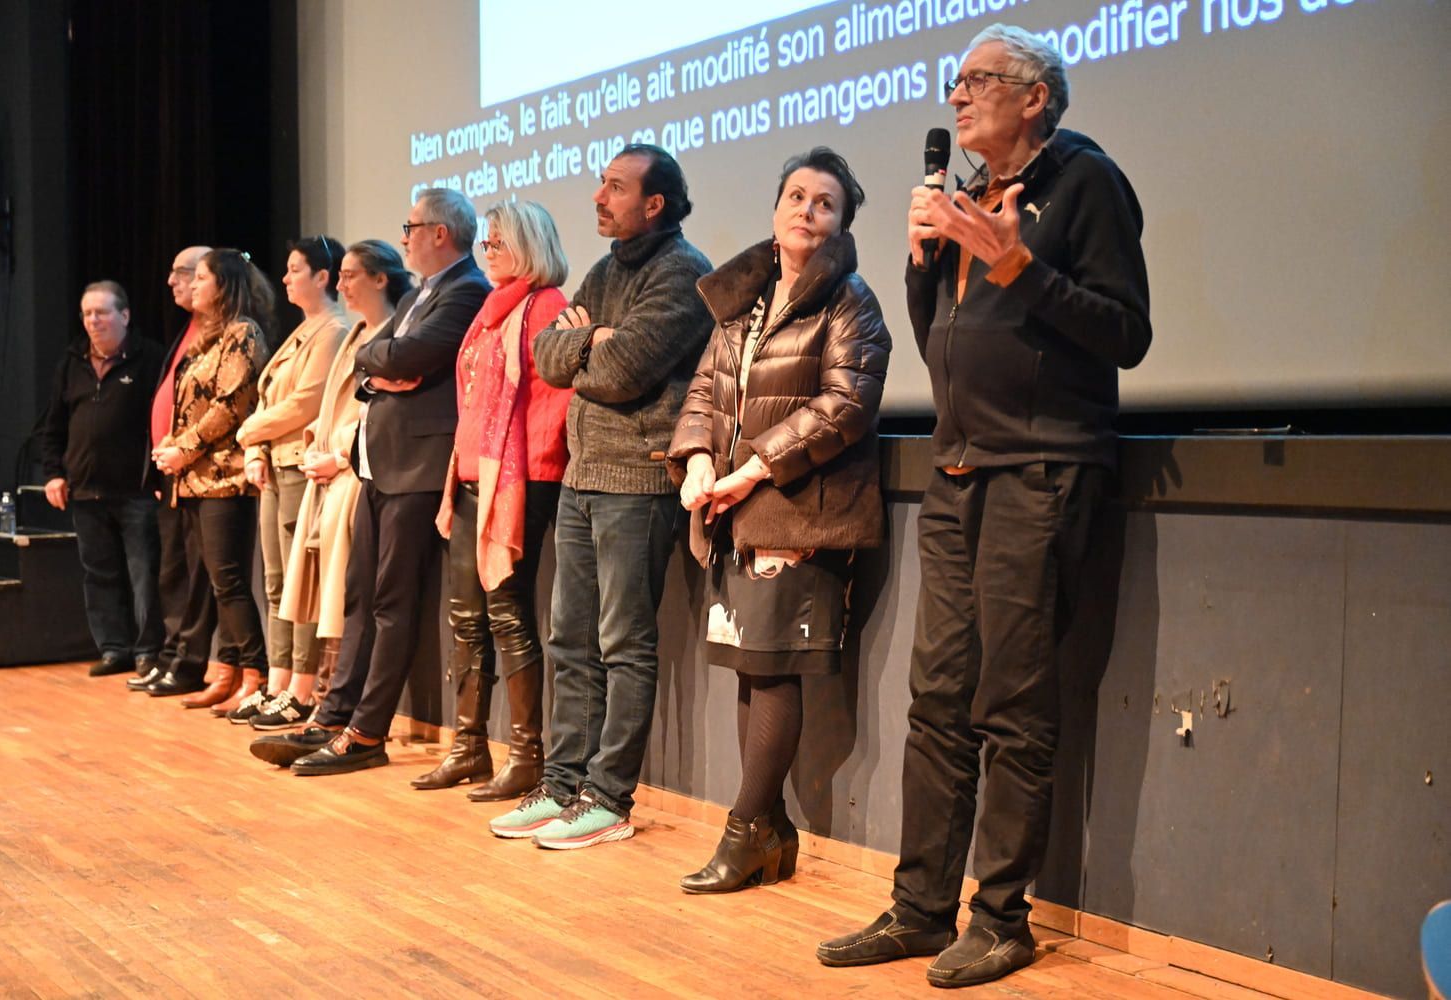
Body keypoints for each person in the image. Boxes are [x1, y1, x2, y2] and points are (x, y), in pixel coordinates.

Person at [817, 24, 1151, 989]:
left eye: (978, 82)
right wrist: (926, 264)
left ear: (1035, 96)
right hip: (962, 469)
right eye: (955, 84)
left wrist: (1019, 269)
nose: (957, 98)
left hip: (1042, 470)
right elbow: (942, 342)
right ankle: (920, 908)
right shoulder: (968, 198)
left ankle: (1001, 918)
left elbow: (1126, 332)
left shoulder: (1088, 184)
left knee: (1012, 706)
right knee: (936, 701)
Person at [667, 148, 889, 892]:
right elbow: (704, 389)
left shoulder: (852, 301)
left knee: (772, 673)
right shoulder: (745, 303)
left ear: (841, 225)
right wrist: (697, 458)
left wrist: (754, 467)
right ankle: (768, 832)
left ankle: (744, 832)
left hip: (800, 513)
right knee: (748, 670)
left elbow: (846, 405)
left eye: (825, 203)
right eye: (796, 195)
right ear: (775, 210)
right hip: (734, 510)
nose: (807, 210)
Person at [490, 144, 712, 849]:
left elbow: (623, 370)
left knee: (624, 643)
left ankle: (608, 798)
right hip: (586, 476)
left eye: (614, 186)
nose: (597, 196)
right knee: (570, 641)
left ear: (654, 203)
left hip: (639, 481)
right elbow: (548, 360)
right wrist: (593, 339)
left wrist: (585, 341)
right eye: (600, 183)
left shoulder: (685, 273)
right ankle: (561, 787)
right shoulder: (602, 269)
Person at [286, 188, 492, 776]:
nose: (404, 237)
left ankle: (366, 731)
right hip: (379, 463)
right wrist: (387, 365)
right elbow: (373, 359)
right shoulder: (424, 291)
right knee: (361, 598)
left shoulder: (468, 289)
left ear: (440, 234)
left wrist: (388, 364)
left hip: (417, 468)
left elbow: (402, 357)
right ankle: (334, 714)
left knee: (391, 604)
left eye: (411, 226)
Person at [412, 200, 572, 800]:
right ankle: (469, 746)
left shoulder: (547, 306)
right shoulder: (489, 307)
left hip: (518, 482)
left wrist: (521, 473)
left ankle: (528, 754)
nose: (489, 251)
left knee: (507, 614)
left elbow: (554, 405)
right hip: (474, 477)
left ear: (530, 243)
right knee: (465, 620)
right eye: (488, 243)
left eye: (499, 242)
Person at [256, 240, 414, 734]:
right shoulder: (358, 332)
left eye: (349, 276)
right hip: (326, 467)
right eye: (339, 276)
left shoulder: (387, 332)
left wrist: (339, 450)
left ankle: (326, 703)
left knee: (349, 595)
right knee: (318, 589)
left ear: (381, 279)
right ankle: (322, 702)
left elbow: (376, 411)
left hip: (356, 472)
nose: (341, 284)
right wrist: (314, 444)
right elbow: (326, 405)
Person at [226, 236, 349, 724]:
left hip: (301, 464)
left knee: (300, 584)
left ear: (323, 277)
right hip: (275, 464)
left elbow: (304, 404)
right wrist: (254, 448)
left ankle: (301, 688)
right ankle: (276, 683)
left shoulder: (334, 330)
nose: (285, 278)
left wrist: (245, 432)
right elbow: (267, 401)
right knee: (275, 582)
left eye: (296, 269)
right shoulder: (301, 332)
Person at [150, 248, 272, 711]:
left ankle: (255, 676)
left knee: (230, 580)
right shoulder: (207, 339)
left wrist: (186, 447)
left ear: (224, 284)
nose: (193, 285)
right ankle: (227, 671)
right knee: (221, 583)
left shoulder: (244, 333)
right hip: (197, 480)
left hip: (226, 478)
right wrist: (173, 447)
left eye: (201, 278)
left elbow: (233, 403)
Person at [39, 280, 164, 678]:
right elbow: (54, 425)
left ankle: (148, 651)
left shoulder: (150, 359)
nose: (94, 321)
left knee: (143, 574)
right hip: (85, 490)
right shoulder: (71, 362)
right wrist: (54, 474)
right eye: (87, 314)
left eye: (102, 312)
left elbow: (161, 424)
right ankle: (114, 648)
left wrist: (158, 475)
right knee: (99, 573)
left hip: (136, 490)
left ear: (124, 315)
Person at [134, 246, 219, 696]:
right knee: (171, 570)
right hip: (173, 470)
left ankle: (187, 663)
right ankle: (170, 655)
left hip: (201, 471)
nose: (172, 282)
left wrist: (182, 451)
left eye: (183, 273)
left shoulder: (224, 333)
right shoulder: (188, 330)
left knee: (195, 575)